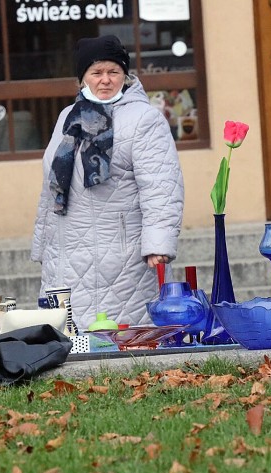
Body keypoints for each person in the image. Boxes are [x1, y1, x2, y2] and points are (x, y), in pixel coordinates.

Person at [31, 35, 185, 330]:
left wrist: (158, 242)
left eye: (113, 72)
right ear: (82, 79)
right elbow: (50, 185)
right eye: (96, 73)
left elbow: (162, 184)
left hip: (119, 255)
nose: (105, 80)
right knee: (71, 342)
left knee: (117, 342)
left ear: (125, 76)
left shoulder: (144, 119)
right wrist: (42, 244)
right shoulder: (68, 117)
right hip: (65, 251)